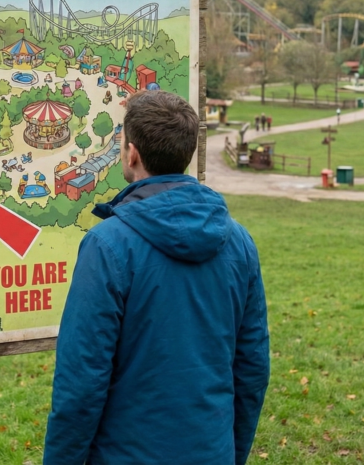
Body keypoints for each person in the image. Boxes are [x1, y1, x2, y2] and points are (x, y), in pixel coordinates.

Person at [45, 91, 270, 465]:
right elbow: (252, 369)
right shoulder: (239, 241)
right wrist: (230, 452)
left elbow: (81, 382)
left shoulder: (107, 246)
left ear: (131, 153)